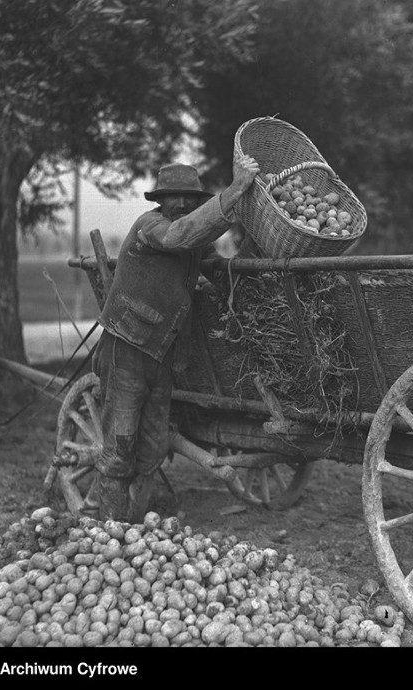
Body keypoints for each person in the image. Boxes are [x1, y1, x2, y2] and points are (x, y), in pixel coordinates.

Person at [84, 154, 260, 522]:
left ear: (196, 202)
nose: (181, 203)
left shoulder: (195, 243)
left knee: (151, 446)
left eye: (188, 198)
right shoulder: (152, 227)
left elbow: (219, 268)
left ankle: (136, 522)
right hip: (127, 349)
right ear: (160, 201)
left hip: (161, 358)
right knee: (120, 444)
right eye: (173, 197)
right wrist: (235, 190)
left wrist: (252, 273)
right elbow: (181, 236)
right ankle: (108, 528)